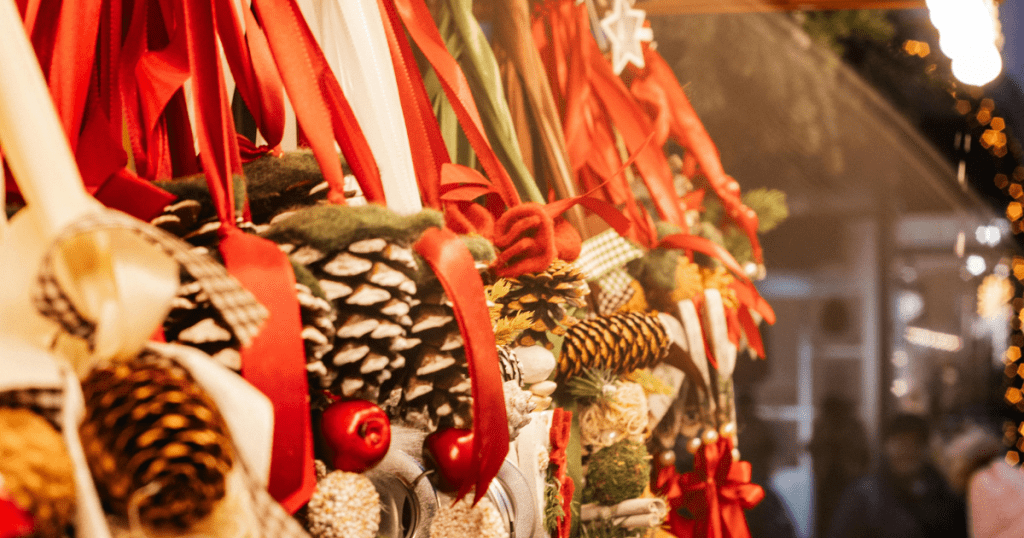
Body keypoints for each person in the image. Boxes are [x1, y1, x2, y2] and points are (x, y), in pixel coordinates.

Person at [827, 414, 968, 538]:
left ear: (926, 449)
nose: (908, 451)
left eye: (916, 444)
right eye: (901, 443)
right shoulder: (863, 496)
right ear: (886, 446)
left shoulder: (944, 493)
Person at [809, 395, 870, 538]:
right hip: (826, 478)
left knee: (850, 514)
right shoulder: (821, 425)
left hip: (849, 476)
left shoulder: (854, 426)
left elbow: (863, 452)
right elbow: (814, 447)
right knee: (825, 518)